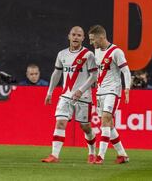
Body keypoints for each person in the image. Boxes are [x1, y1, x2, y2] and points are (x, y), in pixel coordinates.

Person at [41, 26, 98, 164]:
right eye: (74, 35)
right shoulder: (62, 54)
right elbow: (57, 73)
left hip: (83, 97)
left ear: (83, 38)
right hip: (66, 95)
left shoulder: (88, 55)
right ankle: (54, 155)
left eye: (79, 35)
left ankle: (92, 152)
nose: (76, 37)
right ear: (69, 36)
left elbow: (94, 75)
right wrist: (50, 92)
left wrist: (81, 90)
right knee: (60, 123)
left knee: (85, 127)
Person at [88, 25, 131, 164]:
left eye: (93, 39)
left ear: (101, 37)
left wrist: (127, 88)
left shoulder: (116, 52)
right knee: (109, 125)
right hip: (100, 92)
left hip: (113, 91)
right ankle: (122, 155)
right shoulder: (96, 51)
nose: (91, 43)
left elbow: (126, 71)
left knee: (106, 119)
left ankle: (100, 156)